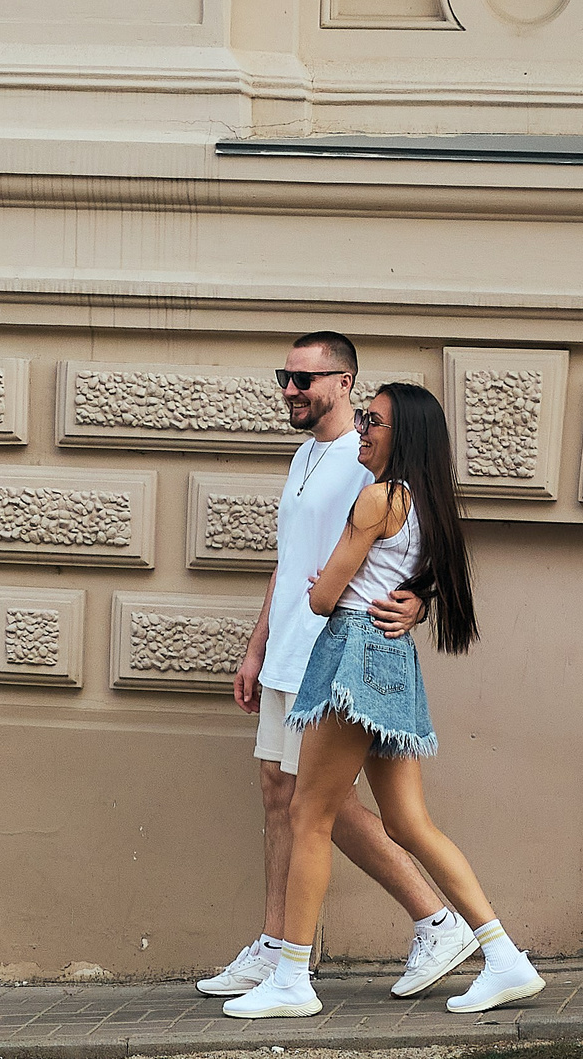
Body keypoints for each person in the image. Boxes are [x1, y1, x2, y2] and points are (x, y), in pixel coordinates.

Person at [224, 381, 543, 1020]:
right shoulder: (427, 504)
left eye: (374, 421)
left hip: (349, 654)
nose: (363, 429)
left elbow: (320, 597)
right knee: (408, 823)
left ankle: (291, 978)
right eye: (364, 417)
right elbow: (407, 580)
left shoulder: (376, 499)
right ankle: (504, 955)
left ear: (406, 437)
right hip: (391, 661)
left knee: (311, 815)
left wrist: (327, 584)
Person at [196, 333, 480, 1004]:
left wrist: (421, 596)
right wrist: (256, 644)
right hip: (289, 647)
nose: (290, 391)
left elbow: (426, 520)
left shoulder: (364, 454)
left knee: (321, 803)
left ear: (344, 381)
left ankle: (436, 920)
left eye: (304, 380)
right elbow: (290, 560)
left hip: (334, 649)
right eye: (284, 378)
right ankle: (273, 946)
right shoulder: (303, 455)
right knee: (277, 790)